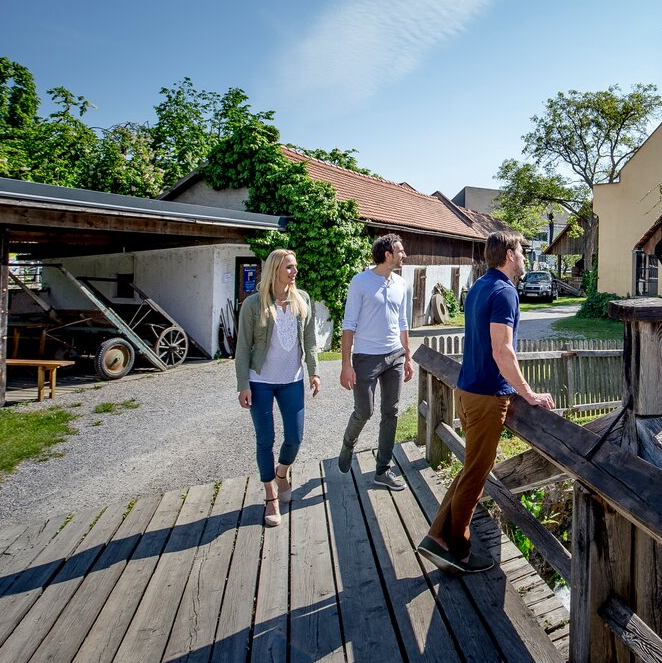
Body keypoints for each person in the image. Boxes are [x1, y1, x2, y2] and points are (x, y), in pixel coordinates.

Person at [416, 230, 554, 574]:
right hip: (487, 397)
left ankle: (437, 537)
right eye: (521, 250)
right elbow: (502, 350)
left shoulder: (479, 286)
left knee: (470, 469)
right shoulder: (505, 292)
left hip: (467, 390)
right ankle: (458, 552)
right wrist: (528, 392)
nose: (524, 256)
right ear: (508, 254)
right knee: (476, 475)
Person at [235, 248, 321, 528]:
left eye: (295, 267)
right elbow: (243, 348)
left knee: (295, 437)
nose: (295, 272)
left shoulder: (302, 299)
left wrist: (314, 372)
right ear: (275, 270)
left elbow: (309, 340)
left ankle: (281, 473)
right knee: (265, 439)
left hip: (292, 379)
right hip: (260, 381)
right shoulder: (253, 304)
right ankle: (271, 497)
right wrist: (243, 384)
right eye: (289, 268)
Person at [337, 234, 414, 490]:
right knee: (364, 411)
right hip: (366, 358)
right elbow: (348, 326)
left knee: (390, 412)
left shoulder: (401, 283)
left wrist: (407, 357)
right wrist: (346, 365)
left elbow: (403, 323)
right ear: (387, 254)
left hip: (394, 356)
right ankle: (348, 443)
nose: (404, 254)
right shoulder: (360, 282)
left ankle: (383, 470)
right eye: (400, 251)